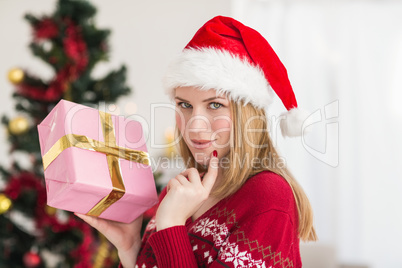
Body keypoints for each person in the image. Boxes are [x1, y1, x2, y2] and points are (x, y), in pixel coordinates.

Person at [76, 15, 317, 268]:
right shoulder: (183, 190)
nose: (195, 123)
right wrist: (131, 249)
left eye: (215, 105)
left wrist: (171, 225)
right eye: (185, 105)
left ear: (248, 115)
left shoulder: (268, 196)